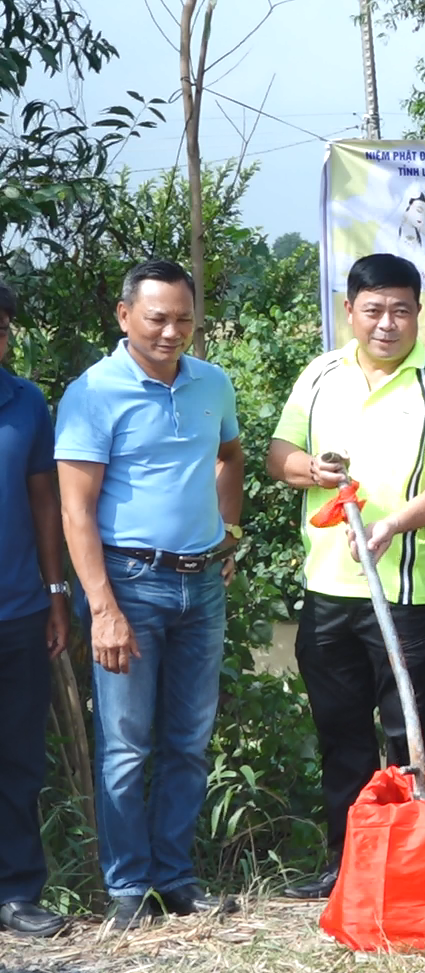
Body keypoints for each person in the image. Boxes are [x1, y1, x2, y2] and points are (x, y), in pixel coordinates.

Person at [266, 252, 425, 899]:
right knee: (341, 734)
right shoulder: (321, 374)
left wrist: (390, 527)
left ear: (418, 312)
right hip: (328, 590)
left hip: (407, 594)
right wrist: (314, 471)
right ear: (351, 312)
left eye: (401, 310)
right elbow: (279, 457)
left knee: (412, 731)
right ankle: (346, 866)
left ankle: (424, 867)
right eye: (374, 310)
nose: (387, 323)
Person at [55, 259, 243, 931]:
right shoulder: (94, 393)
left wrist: (229, 533)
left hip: (202, 584)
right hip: (129, 584)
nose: (171, 332)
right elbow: (76, 510)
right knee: (128, 745)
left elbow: (231, 455)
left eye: (184, 319)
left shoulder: (211, 382)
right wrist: (101, 608)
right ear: (124, 315)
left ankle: (175, 879)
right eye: (158, 318)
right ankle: (128, 888)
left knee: (189, 742)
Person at [0, 282, 72, 938]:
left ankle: (18, 893)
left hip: (18, 612)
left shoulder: (26, 402)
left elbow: (45, 502)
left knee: (19, 757)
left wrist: (56, 593)